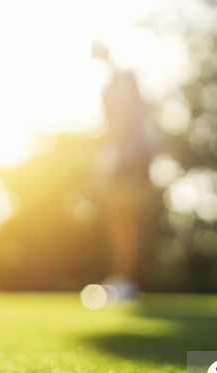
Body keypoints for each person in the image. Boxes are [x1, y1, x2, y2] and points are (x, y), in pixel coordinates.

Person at [91, 40, 160, 300]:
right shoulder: (107, 90)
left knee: (126, 218)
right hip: (121, 160)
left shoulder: (126, 80)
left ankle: (127, 282)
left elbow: (125, 83)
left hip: (134, 159)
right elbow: (109, 130)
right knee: (119, 221)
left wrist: (107, 57)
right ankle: (123, 280)